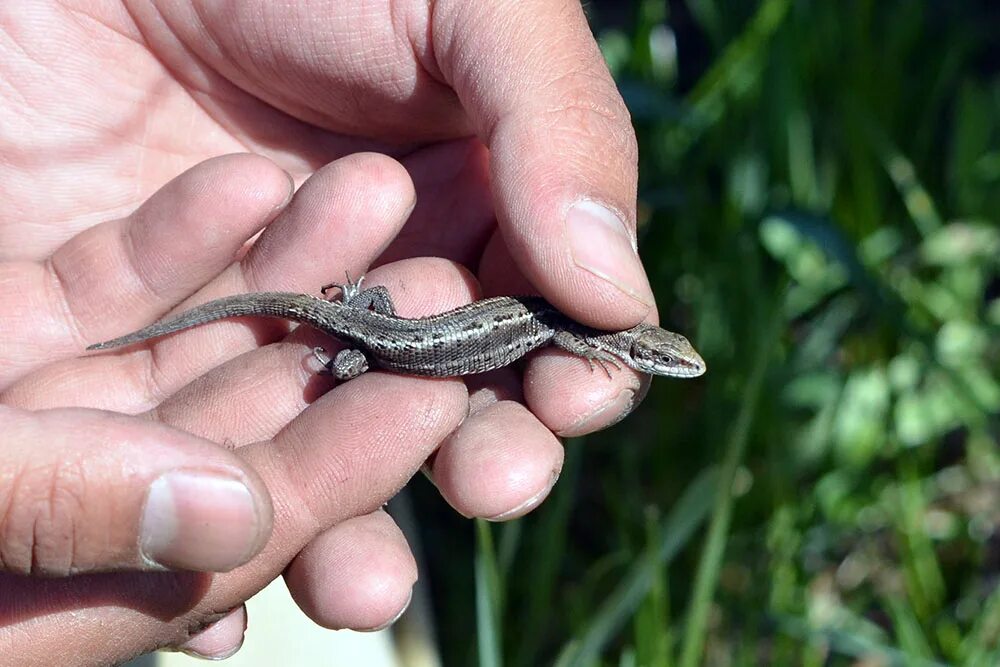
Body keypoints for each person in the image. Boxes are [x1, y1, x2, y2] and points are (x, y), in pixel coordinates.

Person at [0, 1, 658, 662]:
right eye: (663, 359)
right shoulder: (566, 324)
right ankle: (343, 328)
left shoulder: (556, 318)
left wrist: (359, 307)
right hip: (380, 341)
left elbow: (559, 333)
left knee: (364, 398)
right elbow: (564, 338)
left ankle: (350, 311)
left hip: (385, 326)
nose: (670, 364)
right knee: (348, 378)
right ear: (637, 348)